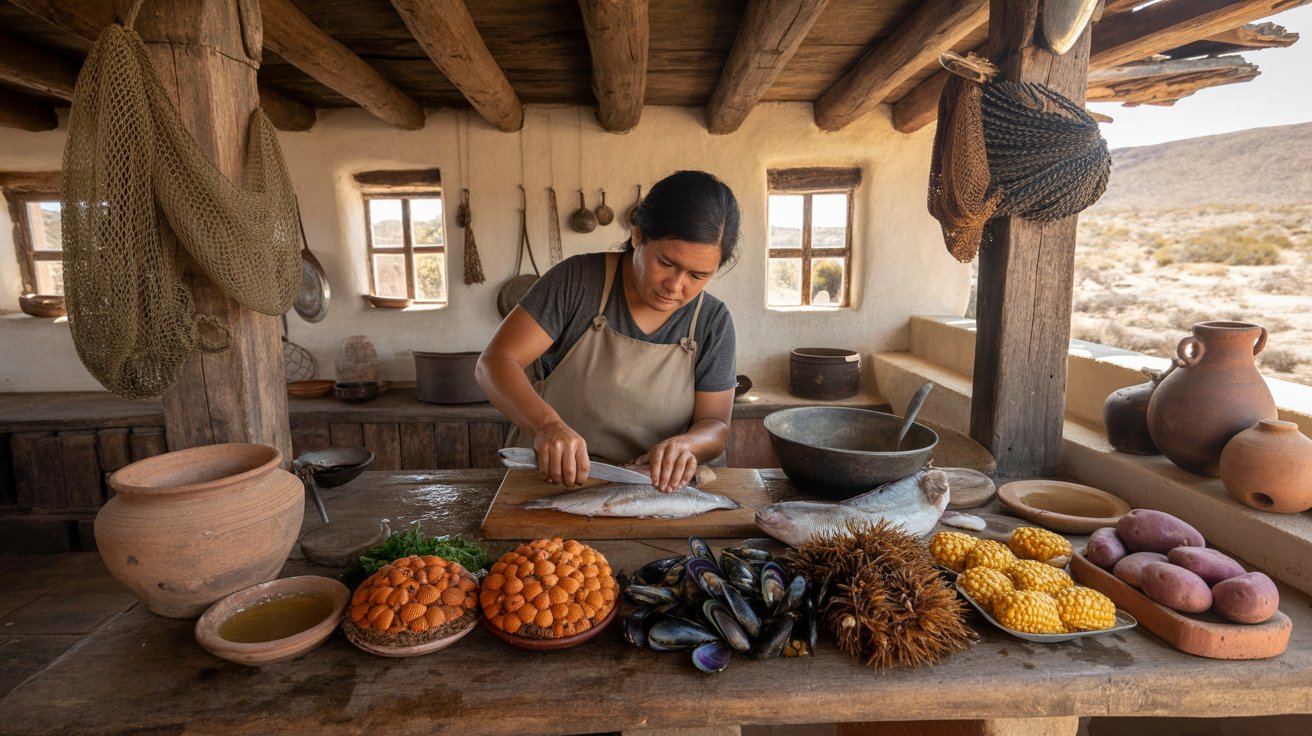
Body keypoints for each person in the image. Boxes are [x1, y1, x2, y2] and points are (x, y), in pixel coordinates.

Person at [476, 170, 740, 493]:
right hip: (554, 484)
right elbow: (495, 362)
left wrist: (688, 446)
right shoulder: (577, 282)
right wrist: (547, 425)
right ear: (639, 235)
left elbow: (715, 425)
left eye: (698, 275)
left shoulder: (711, 321)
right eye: (667, 263)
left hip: (654, 493)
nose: (676, 286)